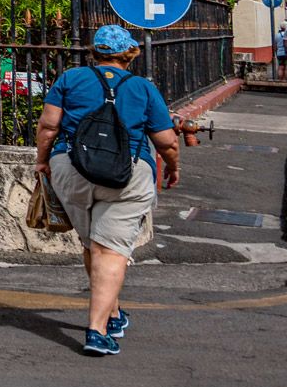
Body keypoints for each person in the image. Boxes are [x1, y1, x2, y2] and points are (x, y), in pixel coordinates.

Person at [34, 24, 179, 357]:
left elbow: (48, 126)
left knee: (92, 244)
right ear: (129, 54)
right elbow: (167, 141)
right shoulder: (142, 87)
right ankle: (97, 331)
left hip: (71, 168)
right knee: (110, 249)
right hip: (127, 174)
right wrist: (172, 167)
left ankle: (113, 313)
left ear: (94, 52)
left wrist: (43, 162)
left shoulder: (70, 79)